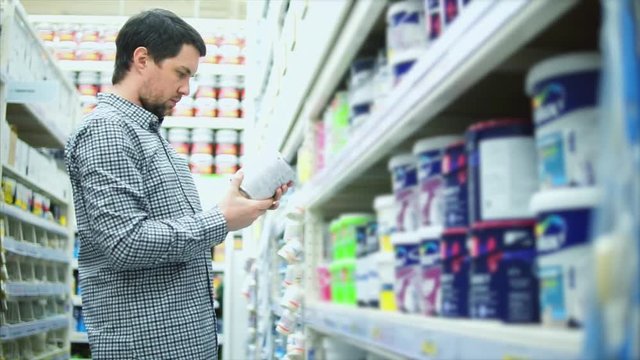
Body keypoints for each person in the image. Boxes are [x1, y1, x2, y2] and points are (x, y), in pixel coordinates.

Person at [64, 9, 289, 359]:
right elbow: (126, 242)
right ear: (142, 59)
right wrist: (220, 219)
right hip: (146, 349)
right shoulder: (107, 131)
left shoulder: (149, 135)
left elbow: (171, 231)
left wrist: (239, 202)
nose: (186, 89)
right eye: (181, 73)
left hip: (181, 344)